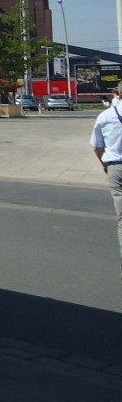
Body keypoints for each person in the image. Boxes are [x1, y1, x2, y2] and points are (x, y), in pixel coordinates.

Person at [89, 81, 122, 279]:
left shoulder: (105, 116)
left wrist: (105, 164)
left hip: (116, 167)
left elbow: (97, 146)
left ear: (118, 94)